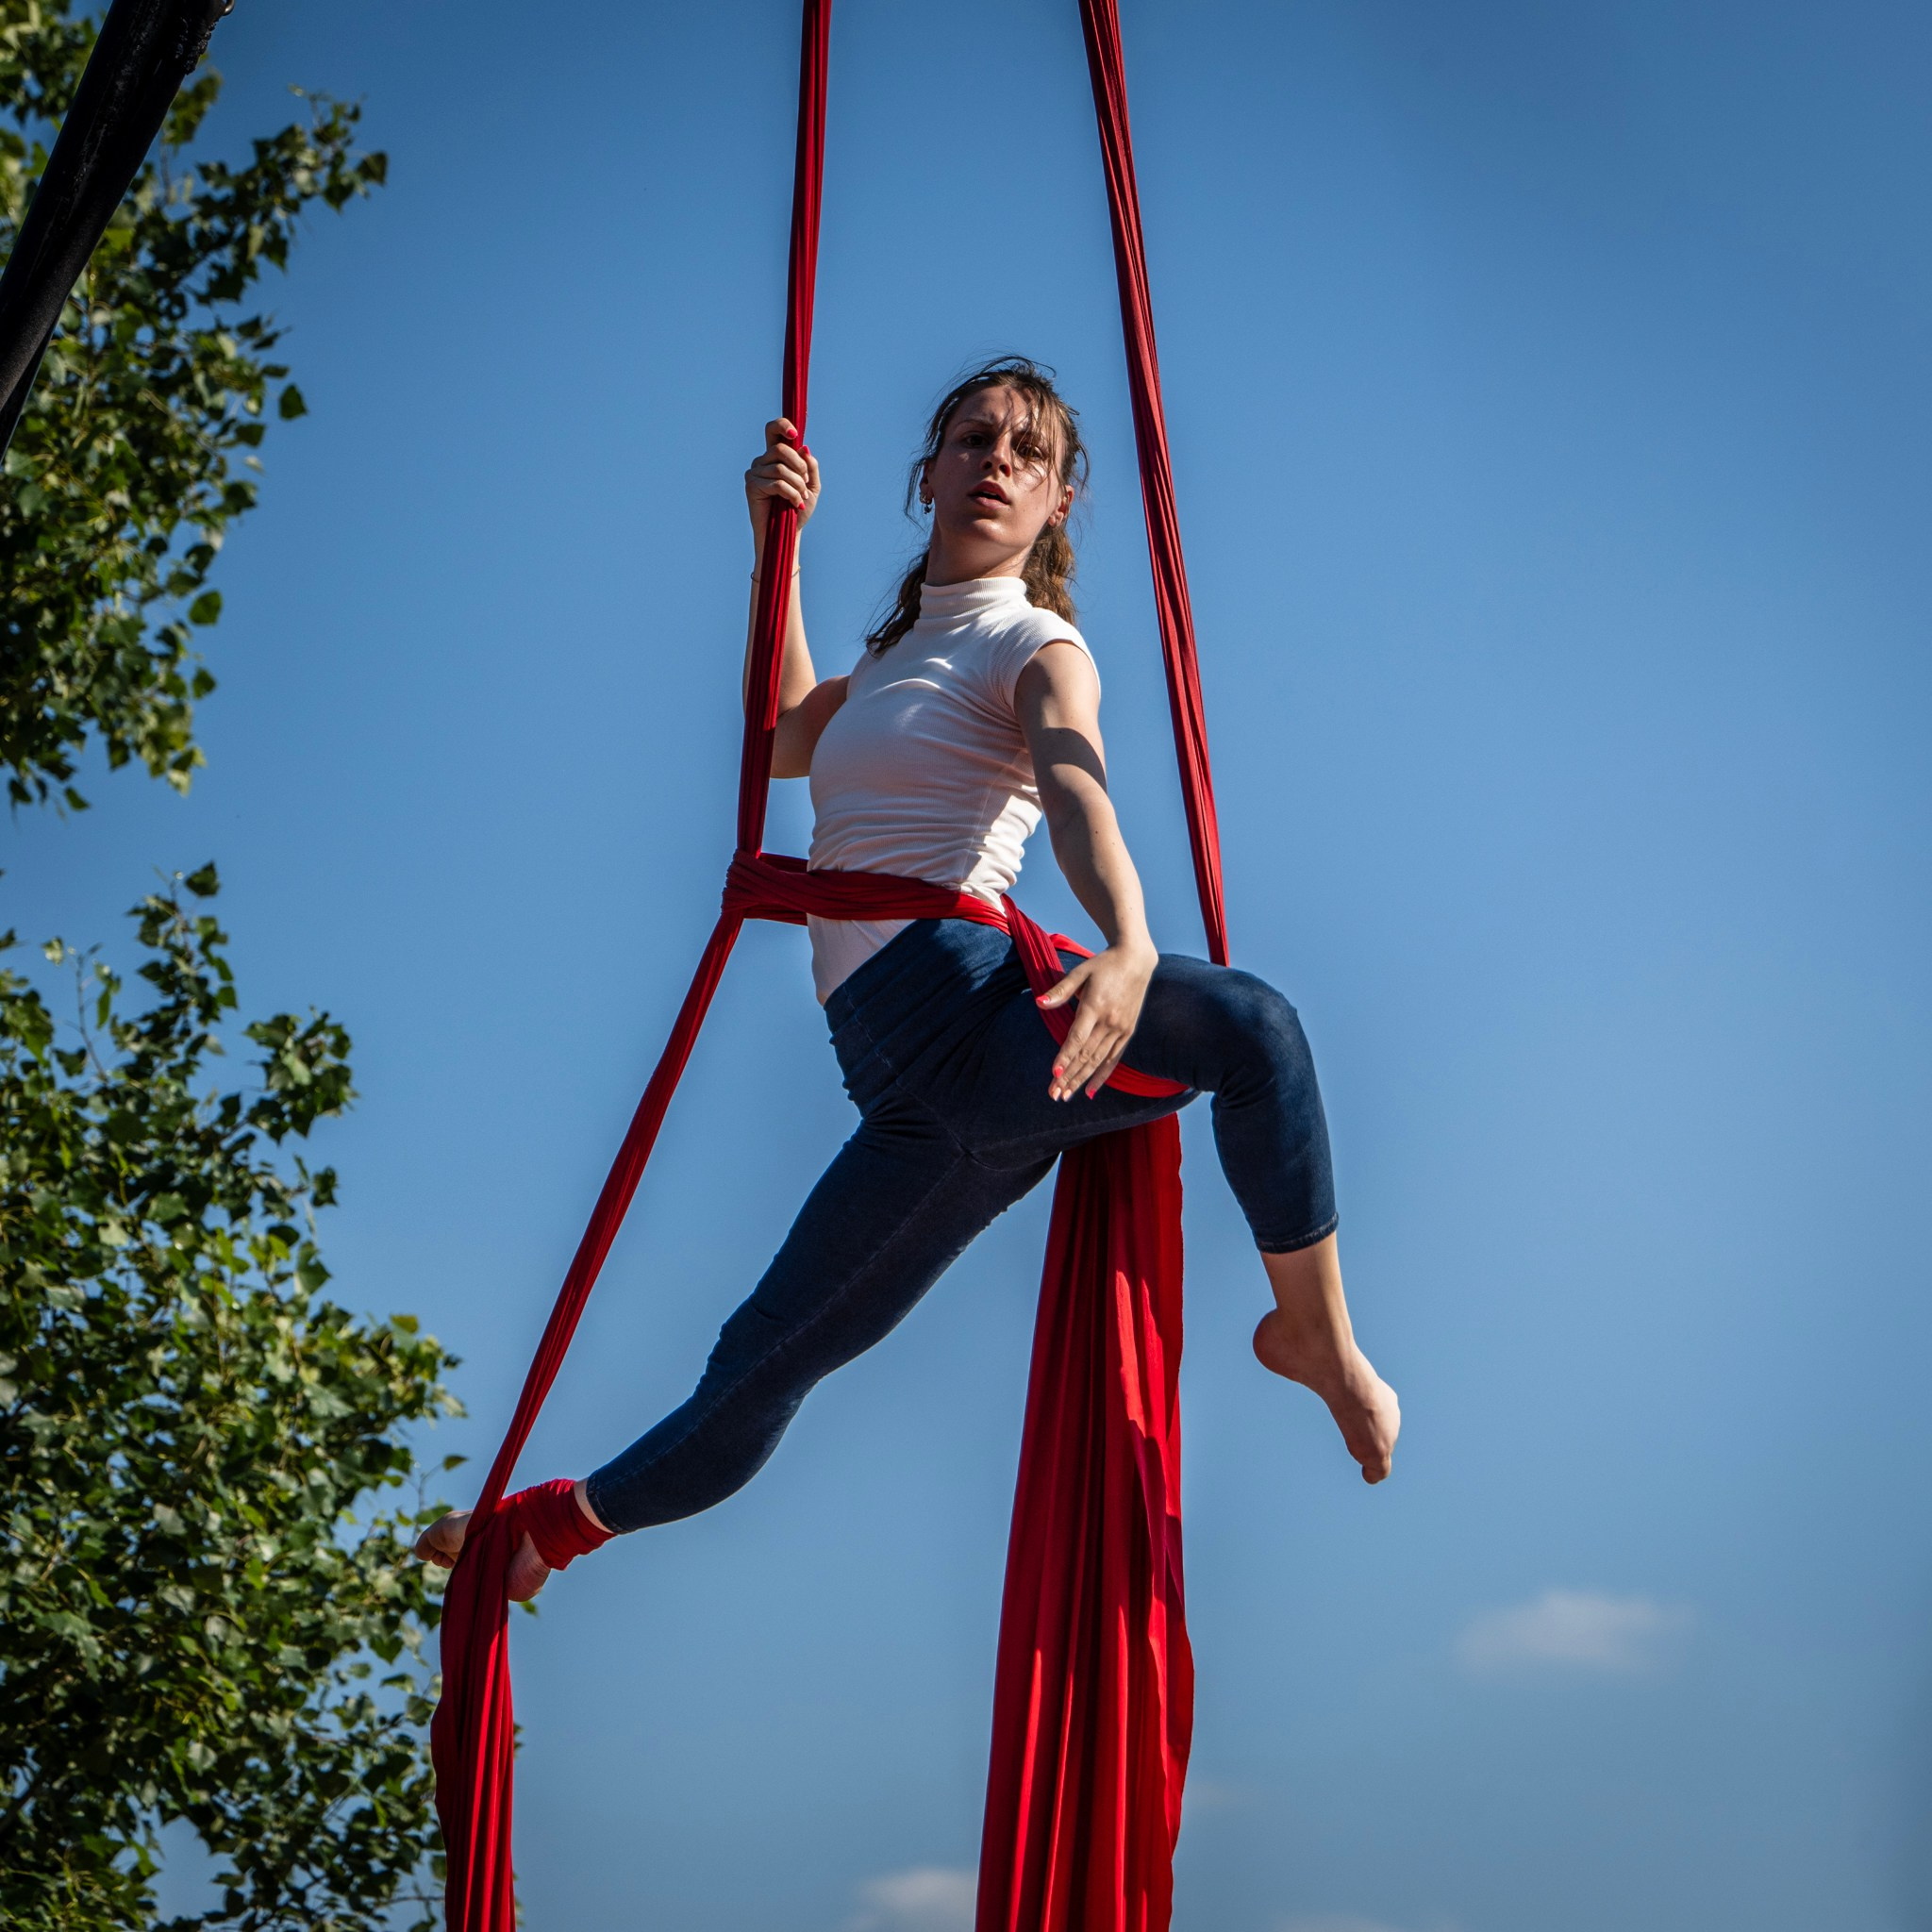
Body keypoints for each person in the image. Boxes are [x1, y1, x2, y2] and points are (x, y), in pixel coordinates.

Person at [419, 358, 1400, 1601]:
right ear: (927, 474)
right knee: (760, 1365)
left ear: (1056, 507)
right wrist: (778, 543)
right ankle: (541, 1538)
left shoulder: (1037, 645)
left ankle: (1313, 1326)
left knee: (1256, 1025)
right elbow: (779, 740)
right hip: (915, 1102)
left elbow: (1075, 784)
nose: (997, 461)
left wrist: (1134, 944)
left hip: (977, 1021)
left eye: (1028, 454)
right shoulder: (885, 669)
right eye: (974, 439)